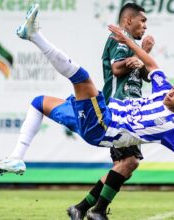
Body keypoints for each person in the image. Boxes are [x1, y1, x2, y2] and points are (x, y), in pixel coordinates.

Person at [0, 3, 174, 220]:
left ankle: (34, 35)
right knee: (39, 103)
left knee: (82, 78)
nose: (170, 93)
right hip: (99, 119)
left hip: (104, 126)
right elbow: (151, 63)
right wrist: (128, 41)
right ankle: (16, 158)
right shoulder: (163, 89)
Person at [67, 3, 155, 220]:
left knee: (123, 166)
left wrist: (144, 53)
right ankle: (96, 211)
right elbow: (117, 68)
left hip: (131, 109)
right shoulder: (120, 38)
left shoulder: (132, 44)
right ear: (128, 20)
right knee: (130, 162)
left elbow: (143, 75)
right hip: (119, 108)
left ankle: (80, 208)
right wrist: (138, 55)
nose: (145, 25)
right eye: (142, 20)